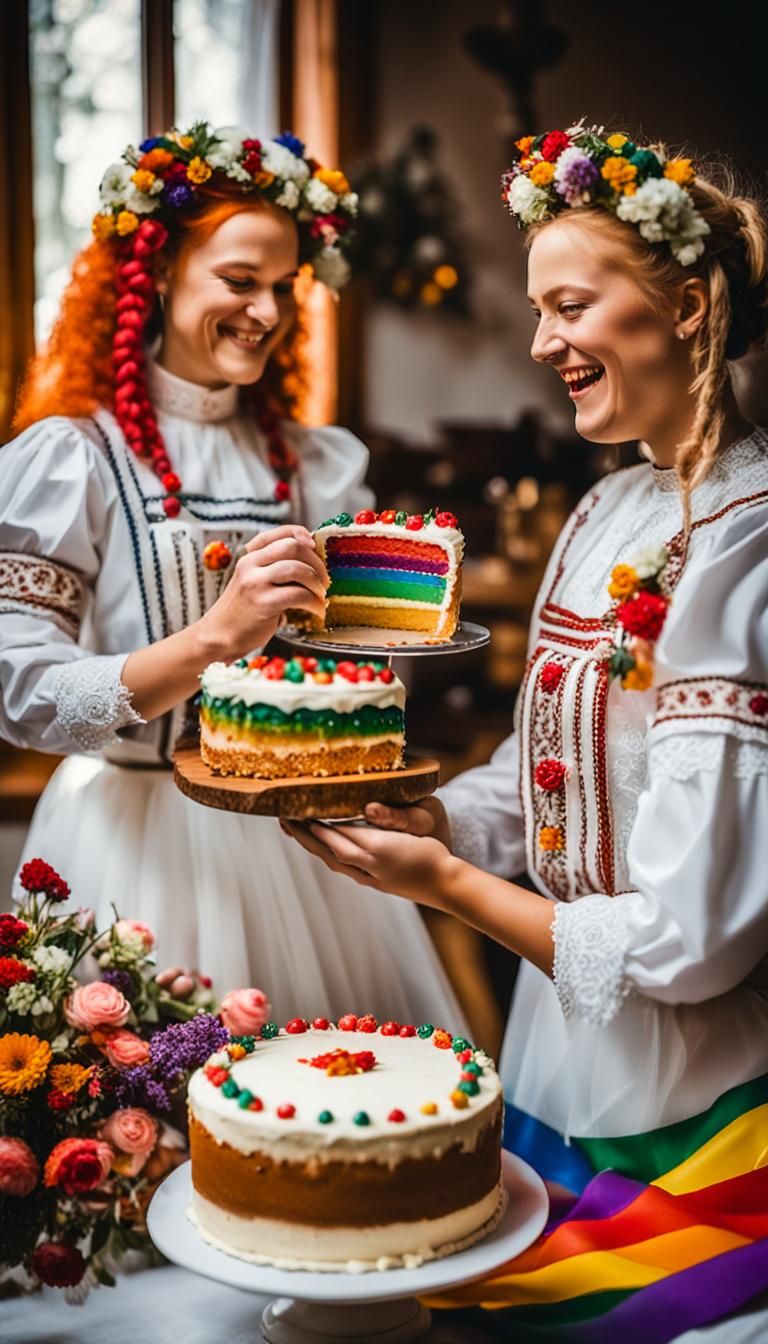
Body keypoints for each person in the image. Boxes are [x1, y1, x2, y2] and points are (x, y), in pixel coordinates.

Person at [284, 123, 768, 1338]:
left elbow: (687, 943)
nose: (542, 341)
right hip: (555, 1049)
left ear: (689, 309)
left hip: (693, 1091)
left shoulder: (749, 545)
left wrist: (442, 884)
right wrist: (442, 816)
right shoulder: (608, 507)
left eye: (570, 306)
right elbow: (543, 770)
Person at [0, 122, 461, 1029]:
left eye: (283, 287)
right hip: (131, 845)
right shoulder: (73, 460)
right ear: (159, 271)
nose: (268, 312)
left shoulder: (317, 466)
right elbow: (21, 693)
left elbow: (370, 672)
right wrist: (214, 638)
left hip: (304, 850)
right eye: (240, 281)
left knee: (327, 1120)